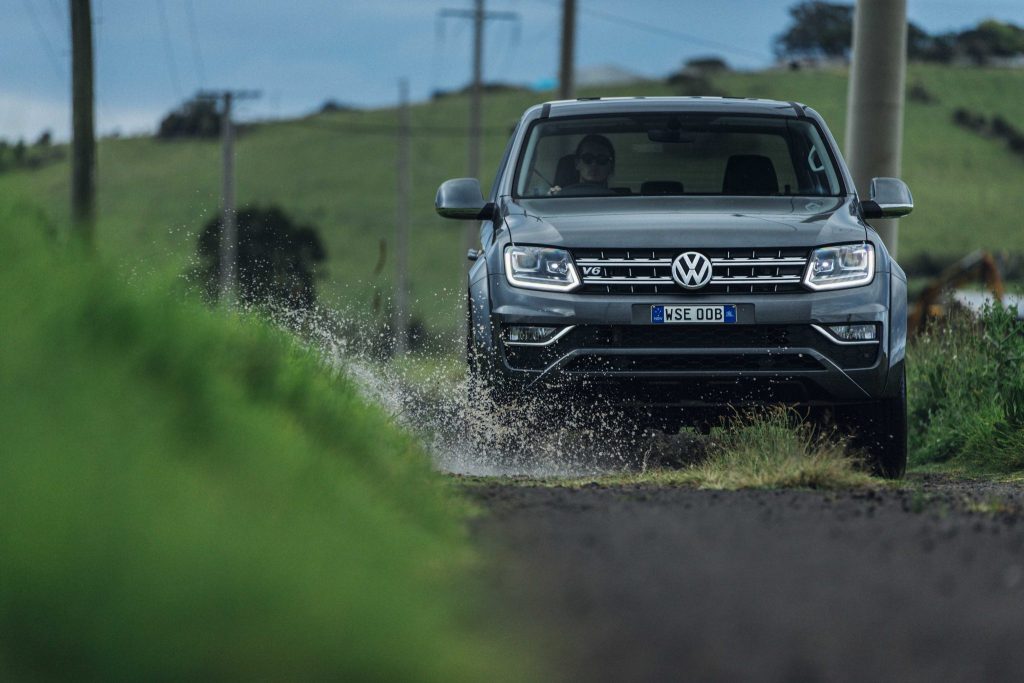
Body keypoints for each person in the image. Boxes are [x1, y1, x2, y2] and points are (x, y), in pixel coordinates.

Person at [549, 134, 616, 195]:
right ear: (577, 164)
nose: (594, 164)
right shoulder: (557, 199)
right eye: (587, 158)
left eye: (602, 159)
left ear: (611, 166)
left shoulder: (619, 200)